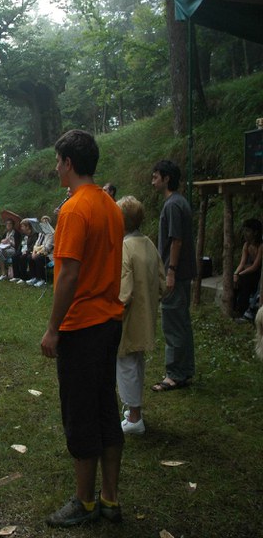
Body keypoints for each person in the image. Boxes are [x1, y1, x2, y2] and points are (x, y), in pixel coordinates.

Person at [40, 129, 124, 527]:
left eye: (58, 161)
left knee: (81, 414)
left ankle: (85, 502)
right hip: (109, 322)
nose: (56, 168)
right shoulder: (110, 205)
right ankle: (110, 499)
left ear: (69, 163)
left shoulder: (75, 210)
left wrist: (53, 328)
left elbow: (70, 274)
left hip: (82, 327)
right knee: (106, 407)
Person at [117, 196, 166, 435]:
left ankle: (135, 417)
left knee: (125, 363)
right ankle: (134, 410)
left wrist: (112, 312)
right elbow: (162, 281)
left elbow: (123, 291)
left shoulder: (125, 247)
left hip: (129, 315)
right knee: (136, 361)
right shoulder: (148, 243)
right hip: (146, 313)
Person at [151, 160, 197, 392]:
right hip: (182, 273)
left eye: (156, 177)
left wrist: (171, 271)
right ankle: (185, 370)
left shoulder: (172, 205)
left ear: (167, 178)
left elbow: (176, 240)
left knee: (173, 323)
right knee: (182, 322)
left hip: (176, 274)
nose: (153, 181)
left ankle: (175, 375)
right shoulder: (179, 202)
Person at [233, 218, 262, 320]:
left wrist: (240, 275)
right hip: (249, 272)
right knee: (235, 281)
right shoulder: (246, 245)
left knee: (245, 279)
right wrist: (235, 274)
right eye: (244, 230)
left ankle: (243, 311)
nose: (245, 233)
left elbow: (255, 267)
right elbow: (242, 263)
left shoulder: (261, 246)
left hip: (257, 275)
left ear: (255, 232)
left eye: (248, 231)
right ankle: (234, 308)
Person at [27, 216, 55, 288]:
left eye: (46, 222)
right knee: (30, 257)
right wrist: (34, 252)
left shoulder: (51, 234)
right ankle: (34, 277)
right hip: (40, 252)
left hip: (48, 255)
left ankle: (42, 279)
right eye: (43, 222)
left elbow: (47, 248)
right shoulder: (41, 233)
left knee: (38, 259)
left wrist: (38, 253)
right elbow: (36, 244)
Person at [11, 219, 37, 283]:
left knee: (23, 257)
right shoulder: (24, 235)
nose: (21, 228)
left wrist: (27, 251)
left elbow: (34, 245)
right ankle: (16, 276)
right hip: (23, 250)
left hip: (30, 251)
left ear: (27, 227)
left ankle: (23, 277)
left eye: (22, 226)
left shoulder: (34, 235)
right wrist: (18, 251)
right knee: (14, 256)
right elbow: (21, 245)